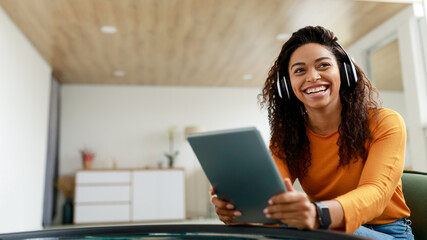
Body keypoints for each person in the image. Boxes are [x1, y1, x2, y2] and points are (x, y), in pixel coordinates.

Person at [210, 26, 414, 240]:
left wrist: (318, 214)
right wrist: (241, 212)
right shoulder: (287, 137)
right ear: (287, 86)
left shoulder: (385, 122)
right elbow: (273, 202)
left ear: (344, 72)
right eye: (299, 70)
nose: (313, 77)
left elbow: (376, 193)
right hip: (322, 230)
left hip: (388, 233)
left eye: (323, 65)